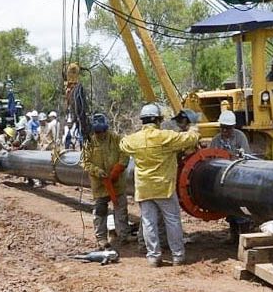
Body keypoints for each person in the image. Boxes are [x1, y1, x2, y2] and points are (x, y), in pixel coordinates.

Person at [120, 103, 201, 267]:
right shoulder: (165, 137)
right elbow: (191, 139)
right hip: (164, 188)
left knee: (148, 222)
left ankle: (153, 257)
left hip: (144, 189)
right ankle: (177, 256)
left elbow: (122, 144)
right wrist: (193, 127)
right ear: (158, 120)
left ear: (142, 120)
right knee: (172, 221)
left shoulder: (133, 140)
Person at [82, 114, 130, 250]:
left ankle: (123, 235)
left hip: (117, 182)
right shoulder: (89, 143)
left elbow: (125, 154)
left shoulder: (116, 139)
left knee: (121, 209)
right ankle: (101, 238)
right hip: (100, 184)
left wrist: (118, 168)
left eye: (102, 131)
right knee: (100, 211)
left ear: (106, 129)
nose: (100, 134)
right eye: (97, 132)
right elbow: (85, 162)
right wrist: (97, 171)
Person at [209, 110, 251, 242]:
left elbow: (246, 158)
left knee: (240, 208)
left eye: (228, 128)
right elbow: (210, 158)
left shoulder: (240, 137)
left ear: (233, 127)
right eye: (223, 128)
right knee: (229, 208)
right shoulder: (216, 140)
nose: (225, 131)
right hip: (222, 177)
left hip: (237, 177)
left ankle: (244, 238)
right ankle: (233, 235)